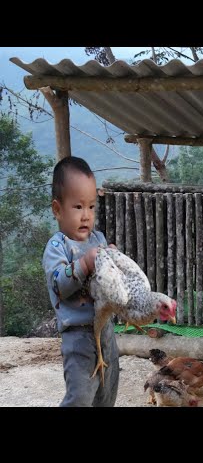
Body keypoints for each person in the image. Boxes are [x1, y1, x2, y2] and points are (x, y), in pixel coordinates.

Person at [42, 156, 119, 407]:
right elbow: (58, 286)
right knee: (81, 397)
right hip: (78, 339)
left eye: (91, 207)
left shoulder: (97, 238)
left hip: (106, 333)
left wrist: (113, 260)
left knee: (106, 394)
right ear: (57, 209)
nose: (86, 216)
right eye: (78, 207)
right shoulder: (57, 247)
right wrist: (84, 264)